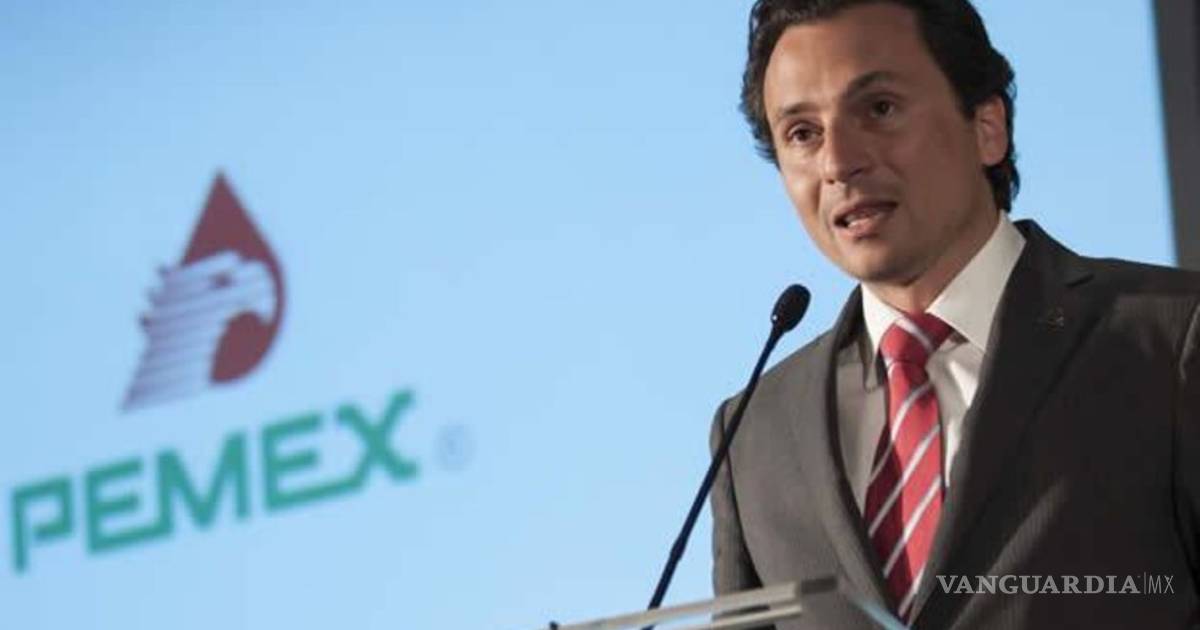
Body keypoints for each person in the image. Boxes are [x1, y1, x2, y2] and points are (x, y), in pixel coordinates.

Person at [709, 0, 1200, 628]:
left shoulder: (1170, 340)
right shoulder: (753, 435)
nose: (838, 162)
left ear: (987, 126)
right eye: (803, 133)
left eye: (879, 109)